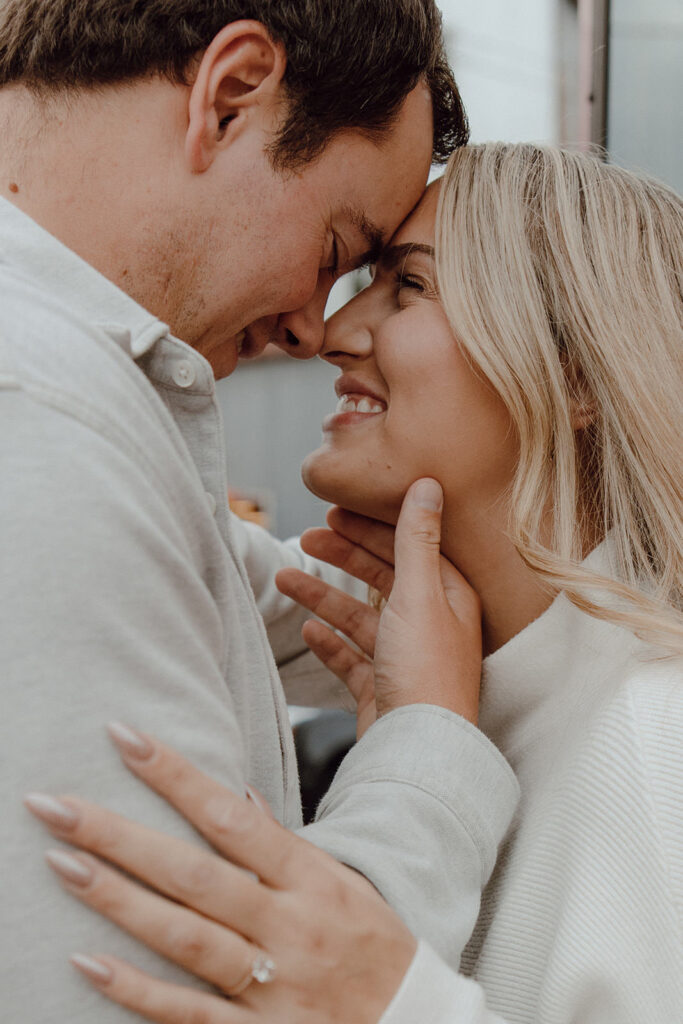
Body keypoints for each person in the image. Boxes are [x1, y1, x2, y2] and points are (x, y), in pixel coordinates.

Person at [26, 143, 683, 1023]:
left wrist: (396, 1004)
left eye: (407, 286)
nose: (333, 330)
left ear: (571, 373)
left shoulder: (655, 735)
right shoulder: (461, 669)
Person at [0, 2, 489, 1020]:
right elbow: (203, 992)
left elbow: (235, 586)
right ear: (228, 95)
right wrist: (428, 746)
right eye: (335, 247)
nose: (318, 327)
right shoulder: (40, 425)